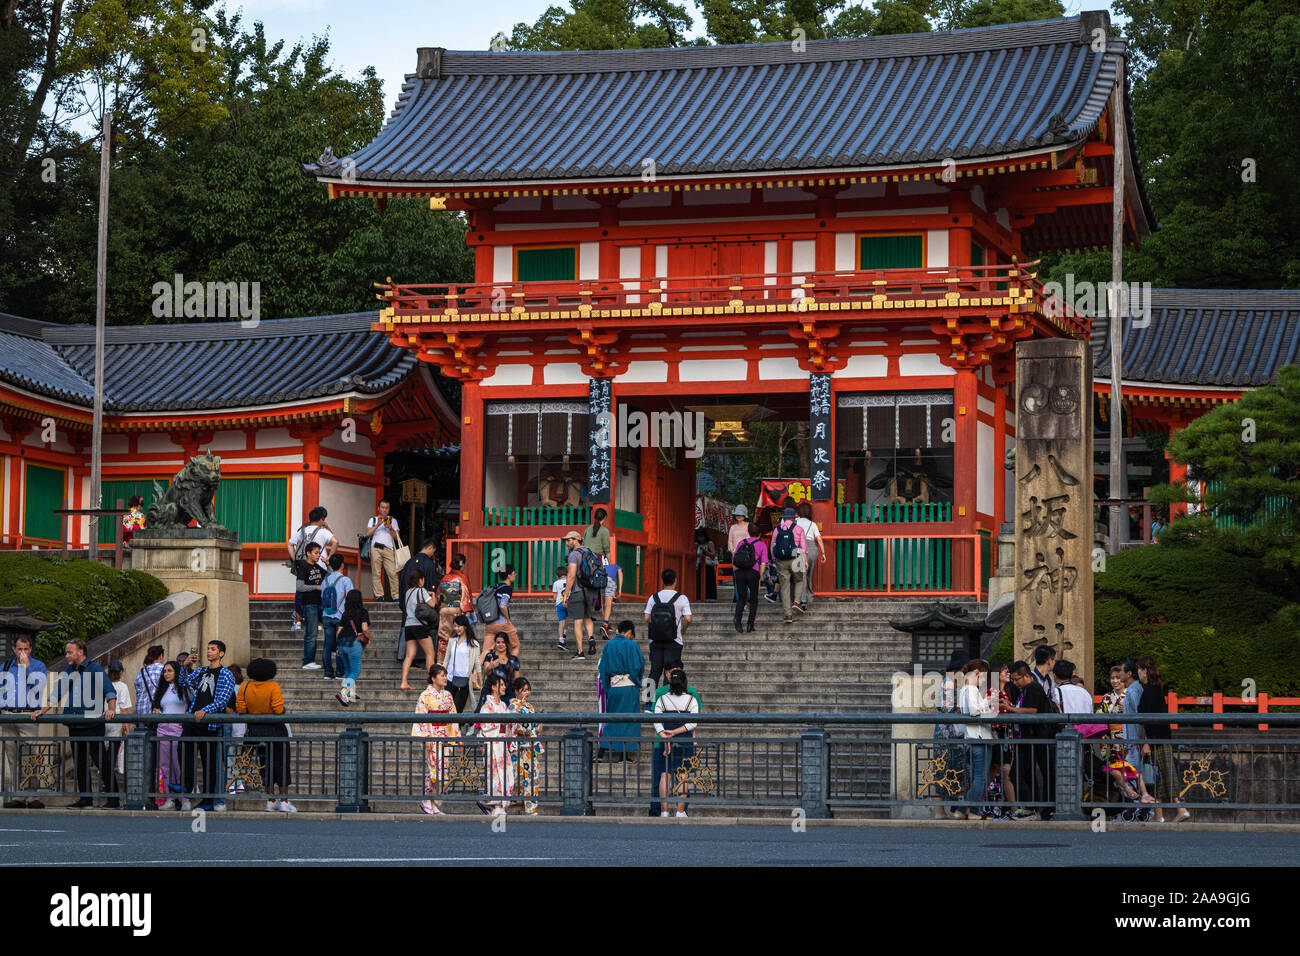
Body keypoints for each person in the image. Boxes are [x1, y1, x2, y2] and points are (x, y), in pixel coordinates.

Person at [57, 639, 117, 809]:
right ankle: (86, 797)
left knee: (101, 761)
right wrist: (41, 711)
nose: (66, 655)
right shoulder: (70, 670)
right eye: (66, 652)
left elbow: (109, 691)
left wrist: (111, 709)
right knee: (80, 762)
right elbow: (57, 693)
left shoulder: (95, 668)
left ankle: (113, 798)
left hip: (92, 724)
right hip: (75, 724)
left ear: (80, 652)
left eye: (69, 652)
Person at [178, 640, 236, 812]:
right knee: (183, 751)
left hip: (210, 723)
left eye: (213, 649)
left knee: (209, 761)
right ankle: (187, 788)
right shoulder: (202, 670)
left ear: (221, 653)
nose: (209, 652)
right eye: (208, 649)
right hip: (193, 720)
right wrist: (185, 665)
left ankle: (209, 798)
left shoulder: (226, 674)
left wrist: (205, 710)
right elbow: (183, 682)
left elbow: (222, 700)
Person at [1137, 656, 1190, 823]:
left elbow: (1149, 719)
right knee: (1158, 775)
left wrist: (1147, 741)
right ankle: (1159, 814)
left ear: (1145, 670)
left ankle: (1180, 808)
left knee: (1164, 773)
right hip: (1161, 737)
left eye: (1139, 669)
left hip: (1156, 739)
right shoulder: (1156, 689)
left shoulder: (1149, 691)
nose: (1138, 672)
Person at [237, 658, 294, 812]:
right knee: (281, 764)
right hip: (275, 729)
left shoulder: (245, 686)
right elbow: (277, 709)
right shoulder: (273, 686)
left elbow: (241, 709)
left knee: (265, 765)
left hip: (255, 730)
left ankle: (270, 800)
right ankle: (284, 801)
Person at [1, 635, 49, 808]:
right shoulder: (6, 666)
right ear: (14, 649)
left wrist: (26, 666)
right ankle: (18, 796)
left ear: (30, 649)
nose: (22, 652)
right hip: (8, 715)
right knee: (12, 758)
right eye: (19, 649)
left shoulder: (38, 666)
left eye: (26, 649)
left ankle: (32, 796)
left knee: (30, 757)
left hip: (28, 715)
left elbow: (39, 686)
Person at [648, 668, 701, 817]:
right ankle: (680, 811)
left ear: (669, 683)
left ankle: (664, 811)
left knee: (665, 775)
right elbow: (693, 723)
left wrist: (665, 734)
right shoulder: (691, 700)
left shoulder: (662, 699)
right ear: (685, 683)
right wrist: (676, 732)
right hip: (684, 740)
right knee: (683, 775)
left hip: (666, 741)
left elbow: (655, 720)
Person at [1008, 659, 1054, 820]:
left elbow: (1032, 711)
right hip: (1027, 738)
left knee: (1017, 774)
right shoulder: (1023, 690)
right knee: (1026, 774)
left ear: (1026, 676)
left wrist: (1010, 709)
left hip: (1036, 738)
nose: (1014, 682)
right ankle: (1032, 808)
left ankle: (1034, 808)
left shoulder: (1033, 688)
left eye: (1016, 679)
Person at [412, 663, 459, 815]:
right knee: (435, 770)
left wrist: (456, 737)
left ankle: (433, 802)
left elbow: (453, 717)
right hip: (432, 734)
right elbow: (421, 717)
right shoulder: (425, 696)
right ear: (433, 678)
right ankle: (426, 800)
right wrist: (426, 738)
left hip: (445, 734)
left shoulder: (448, 695)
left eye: (446, 675)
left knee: (444, 771)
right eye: (442, 675)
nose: (445, 678)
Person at [598, 620, 645, 760]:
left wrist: (608, 688)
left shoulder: (608, 646)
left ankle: (605, 749)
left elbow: (603, 668)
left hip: (614, 686)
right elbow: (638, 666)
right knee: (630, 720)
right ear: (629, 632)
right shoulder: (632, 645)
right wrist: (637, 681)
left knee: (613, 718)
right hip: (629, 686)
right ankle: (626, 752)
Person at [287, 506, 337, 630]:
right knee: (320, 592)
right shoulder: (323, 531)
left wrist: (295, 561)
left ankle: (297, 621)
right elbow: (335, 541)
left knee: (300, 592)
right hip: (320, 565)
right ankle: (319, 622)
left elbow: (290, 543)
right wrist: (329, 558)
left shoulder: (302, 530)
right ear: (321, 519)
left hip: (303, 564)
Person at [957, 659, 995, 820]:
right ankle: (973, 810)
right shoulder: (972, 689)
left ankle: (961, 809)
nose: (985, 681)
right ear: (977, 674)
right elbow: (974, 711)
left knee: (977, 777)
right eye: (984, 677)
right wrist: (988, 702)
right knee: (981, 777)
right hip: (979, 737)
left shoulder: (963, 690)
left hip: (970, 737)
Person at [150, 661, 190, 809]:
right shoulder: (161, 689)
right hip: (162, 729)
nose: (166, 673)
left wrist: (186, 718)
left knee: (178, 765)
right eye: (165, 671)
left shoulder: (185, 688)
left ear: (177, 672)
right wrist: (156, 711)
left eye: (169, 671)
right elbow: (160, 707)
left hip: (178, 730)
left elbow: (192, 705)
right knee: (166, 766)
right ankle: (170, 799)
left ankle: (185, 799)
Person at [644, 567, 691, 686]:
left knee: (654, 672)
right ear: (675, 580)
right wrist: (683, 629)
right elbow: (688, 618)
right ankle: (666, 700)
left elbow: (647, 618)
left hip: (655, 640)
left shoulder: (653, 597)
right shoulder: (682, 598)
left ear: (662, 581)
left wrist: (658, 627)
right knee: (670, 672)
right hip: (674, 640)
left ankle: (649, 702)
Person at [477, 673, 515, 814]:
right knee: (495, 776)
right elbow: (485, 727)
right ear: (493, 687)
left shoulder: (504, 705)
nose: (504, 687)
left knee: (507, 775)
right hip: (493, 745)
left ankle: (491, 803)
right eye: (501, 685)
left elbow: (509, 725)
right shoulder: (487, 706)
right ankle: (495, 804)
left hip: (502, 743)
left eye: (504, 684)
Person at [561, 529, 602, 660]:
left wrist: (566, 594)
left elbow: (571, 575)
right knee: (588, 617)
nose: (566, 543)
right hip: (591, 591)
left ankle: (580, 652)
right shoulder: (590, 553)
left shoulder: (574, 554)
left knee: (578, 621)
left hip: (578, 591)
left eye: (568, 540)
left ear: (576, 540)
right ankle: (591, 638)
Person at [100, 661, 132, 809]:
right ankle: (110, 791)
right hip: (116, 721)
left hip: (102, 721)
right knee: (110, 758)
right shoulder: (122, 686)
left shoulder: (103, 684)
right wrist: (127, 727)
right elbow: (124, 709)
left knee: (105, 758)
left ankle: (108, 789)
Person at [400, 568, 438, 691]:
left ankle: (404, 682)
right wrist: (432, 595)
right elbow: (433, 605)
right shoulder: (422, 591)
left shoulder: (407, 592)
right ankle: (432, 683)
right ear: (420, 580)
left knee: (409, 655)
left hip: (408, 626)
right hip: (420, 626)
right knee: (430, 653)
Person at [509, 677, 542, 814]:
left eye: (528, 690)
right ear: (516, 691)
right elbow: (510, 723)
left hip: (531, 745)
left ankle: (530, 807)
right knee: (518, 777)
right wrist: (519, 709)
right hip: (519, 746)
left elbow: (535, 727)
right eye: (523, 690)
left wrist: (539, 725)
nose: (526, 693)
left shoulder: (531, 707)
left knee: (533, 776)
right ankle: (515, 805)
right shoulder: (513, 705)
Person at [769, 506, 807, 624]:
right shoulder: (799, 529)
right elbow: (803, 547)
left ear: (784, 518)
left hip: (781, 560)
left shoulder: (777, 529)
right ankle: (796, 601)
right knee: (799, 580)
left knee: (784, 587)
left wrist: (774, 559)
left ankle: (788, 615)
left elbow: (772, 546)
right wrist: (805, 560)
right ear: (794, 518)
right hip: (796, 557)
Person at [731, 521, 769, 634]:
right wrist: (759, 576)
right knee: (753, 599)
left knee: (742, 598)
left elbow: (735, 559)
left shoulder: (741, 543)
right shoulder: (762, 545)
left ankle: (737, 618)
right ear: (759, 534)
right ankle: (750, 624)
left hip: (740, 572)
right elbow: (763, 563)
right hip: (753, 572)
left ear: (748, 532)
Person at [293, 541, 327, 670]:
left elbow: (329, 575)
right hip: (309, 604)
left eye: (319, 553)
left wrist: (328, 564)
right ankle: (308, 661)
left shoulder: (317, 567)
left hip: (320, 603)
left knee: (319, 631)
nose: (318, 555)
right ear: (308, 553)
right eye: (316, 553)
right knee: (311, 633)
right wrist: (316, 587)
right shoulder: (303, 566)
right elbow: (299, 586)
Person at [335, 589, 371, 706]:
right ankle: (343, 692)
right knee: (355, 671)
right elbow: (364, 628)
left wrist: (338, 646)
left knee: (348, 670)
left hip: (342, 642)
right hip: (353, 643)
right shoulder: (363, 612)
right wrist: (369, 637)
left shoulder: (345, 613)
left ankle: (350, 695)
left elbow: (338, 631)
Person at [321, 552, 353, 680]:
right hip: (340, 617)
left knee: (327, 645)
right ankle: (340, 672)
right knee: (341, 645)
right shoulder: (346, 580)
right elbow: (350, 598)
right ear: (342, 565)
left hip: (326, 615)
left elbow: (322, 597)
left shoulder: (325, 580)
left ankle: (328, 672)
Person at [363, 498, 402, 601]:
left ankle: (396, 596)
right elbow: (367, 534)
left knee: (392, 573)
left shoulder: (393, 521)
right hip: (375, 547)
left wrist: (390, 528)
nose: (384, 510)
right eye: (383, 507)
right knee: (376, 573)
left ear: (389, 509)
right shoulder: (373, 520)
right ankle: (379, 595)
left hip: (389, 549)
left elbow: (396, 537)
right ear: (378, 508)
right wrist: (377, 525)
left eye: (387, 508)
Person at [441, 615, 481, 714]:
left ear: (465, 627)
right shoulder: (452, 641)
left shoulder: (473, 644)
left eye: (459, 626)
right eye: (455, 626)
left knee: (457, 710)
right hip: (450, 679)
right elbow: (446, 660)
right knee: (447, 709)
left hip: (464, 680)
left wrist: (480, 680)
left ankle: (457, 728)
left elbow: (477, 663)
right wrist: (441, 676)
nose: (457, 628)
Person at [435, 552, 473, 651]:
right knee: (458, 637)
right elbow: (466, 595)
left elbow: (438, 597)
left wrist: (440, 607)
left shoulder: (445, 578)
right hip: (457, 610)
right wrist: (467, 611)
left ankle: (441, 662)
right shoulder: (462, 578)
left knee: (444, 638)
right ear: (463, 564)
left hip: (444, 610)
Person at [793, 502, 826, 612]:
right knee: (808, 575)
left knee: (802, 575)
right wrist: (823, 553)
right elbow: (819, 539)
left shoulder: (795, 522)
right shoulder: (813, 524)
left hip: (800, 548)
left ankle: (802, 601)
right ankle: (809, 597)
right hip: (812, 549)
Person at [483, 567, 520, 659]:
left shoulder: (495, 587)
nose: (515, 575)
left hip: (490, 623)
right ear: (508, 575)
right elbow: (503, 605)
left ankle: (476, 672)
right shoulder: (507, 588)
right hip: (502, 622)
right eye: (514, 573)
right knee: (515, 645)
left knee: (486, 650)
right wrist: (508, 619)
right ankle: (511, 668)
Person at [477, 633, 519, 712]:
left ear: (507, 643)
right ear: (495, 644)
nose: (500, 644)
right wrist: (490, 666)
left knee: (508, 714)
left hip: (508, 691)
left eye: (503, 642)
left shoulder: (513, 659)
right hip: (492, 691)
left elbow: (517, 679)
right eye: (498, 642)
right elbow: (486, 672)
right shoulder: (490, 656)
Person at [1121, 658, 1144, 769]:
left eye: (1121, 671)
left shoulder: (1133, 690)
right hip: (1133, 739)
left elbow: (1139, 713)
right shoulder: (1134, 688)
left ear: (1129, 673)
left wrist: (1140, 739)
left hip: (1134, 738)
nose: (1120, 673)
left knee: (1133, 774)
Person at [599, 558, 623, 639]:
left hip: (600, 579)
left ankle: (605, 622)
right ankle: (605, 625)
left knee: (603, 603)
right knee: (608, 604)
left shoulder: (601, 567)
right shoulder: (616, 566)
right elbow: (620, 574)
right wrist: (620, 590)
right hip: (609, 580)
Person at [694, 528, 718, 602]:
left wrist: (704, 550)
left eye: (702, 536)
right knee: (700, 582)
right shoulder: (697, 544)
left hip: (708, 566)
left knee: (709, 582)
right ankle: (699, 598)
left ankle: (710, 598)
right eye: (698, 537)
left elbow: (713, 555)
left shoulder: (710, 543)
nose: (700, 538)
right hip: (700, 566)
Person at [552, 565, 570, 650]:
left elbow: (555, 597)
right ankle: (565, 633)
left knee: (561, 622)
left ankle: (561, 640)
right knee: (567, 618)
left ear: (557, 575)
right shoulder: (570, 581)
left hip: (559, 603)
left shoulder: (555, 583)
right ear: (567, 574)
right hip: (569, 603)